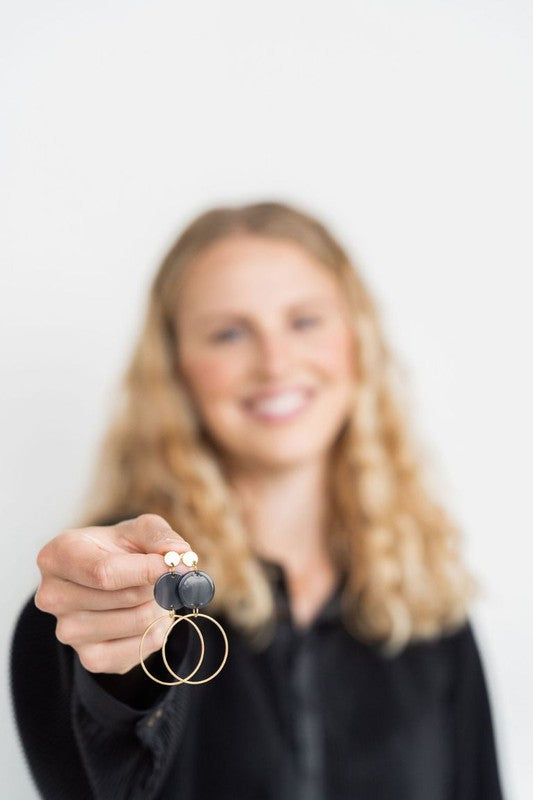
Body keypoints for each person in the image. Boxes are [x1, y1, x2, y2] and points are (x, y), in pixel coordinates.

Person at [11, 201, 504, 799]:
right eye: (230, 333)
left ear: (357, 340)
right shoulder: (106, 596)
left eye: (304, 321)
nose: (275, 362)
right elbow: (107, 757)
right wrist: (116, 656)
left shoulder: (427, 603)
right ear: (177, 369)